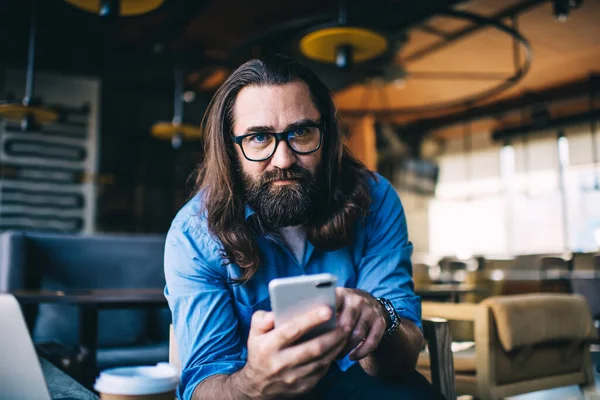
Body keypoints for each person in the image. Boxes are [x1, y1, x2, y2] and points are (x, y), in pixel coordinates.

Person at [164, 55, 443, 400]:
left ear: (326, 135)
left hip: (359, 383)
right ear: (230, 147)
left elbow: (397, 362)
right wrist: (252, 382)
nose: (283, 159)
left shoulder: (375, 198)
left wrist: (381, 319)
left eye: (300, 132)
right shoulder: (193, 235)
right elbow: (204, 387)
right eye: (259, 138)